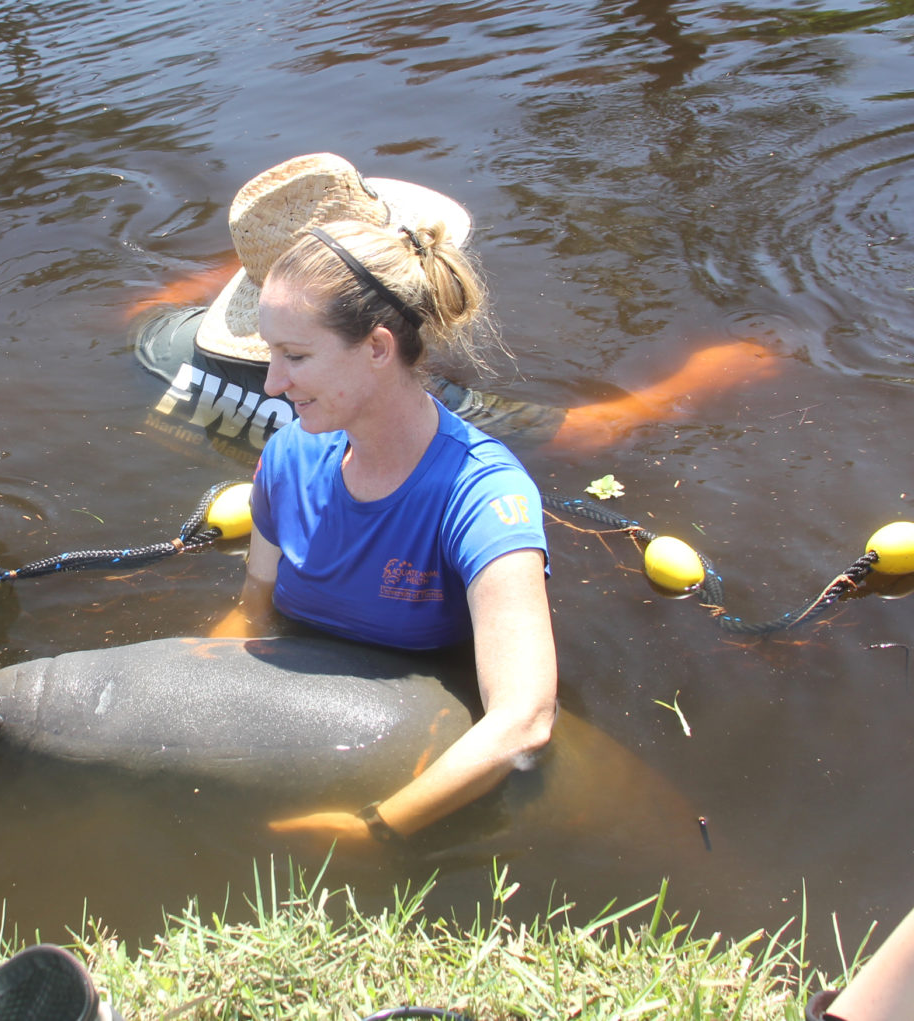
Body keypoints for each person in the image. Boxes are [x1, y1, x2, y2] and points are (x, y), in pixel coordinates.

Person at [206, 155, 557, 844]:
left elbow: (525, 718)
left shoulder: (483, 495)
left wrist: (380, 828)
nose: (272, 384)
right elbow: (254, 606)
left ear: (376, 347)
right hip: (311, 743)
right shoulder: (287, 456)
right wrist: (198, 671)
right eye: (270, 354)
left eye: (296, 357)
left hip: (424, 772)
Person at [131, 156, 779, 467]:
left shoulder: (163, 342)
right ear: (381, 339)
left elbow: (145, 307)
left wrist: (246, 269)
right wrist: (716, 372)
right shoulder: (414, 404)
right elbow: (595, 429)